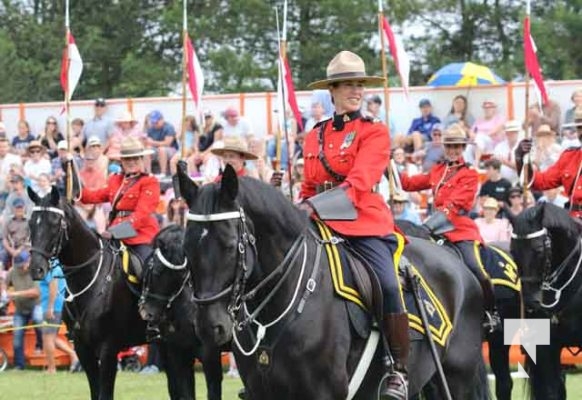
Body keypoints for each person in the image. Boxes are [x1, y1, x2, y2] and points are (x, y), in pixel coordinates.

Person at [300, 50, 409, 399]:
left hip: (362, 221)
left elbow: (359, 183)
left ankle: (399, 369)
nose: (356, 90)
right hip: (318, 221)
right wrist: (298, 209)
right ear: (331, 91)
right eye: (348, 84)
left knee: (389, 286)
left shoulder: (374, 131)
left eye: (360, 84)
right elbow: (308, 185)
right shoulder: (313, 135)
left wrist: (310, 206)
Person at [400, 124, 499, 330]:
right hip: (436, 230)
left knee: (476, 269)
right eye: (450, 146)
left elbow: (456, 204)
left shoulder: (469, 173)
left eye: (457, 146)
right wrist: (389, 167)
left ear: (463, 147)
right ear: (444, 147)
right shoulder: (438, 170)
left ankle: (491, 312)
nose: (453, 150)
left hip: (460, 230)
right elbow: (409, 184)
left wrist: (430, 224)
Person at [78, 136, 160, 261]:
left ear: (141, 159)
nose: (131, 162)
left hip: (139, 236)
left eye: (135, 158)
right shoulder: (115, 179)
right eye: (127, 159)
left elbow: (142, 215)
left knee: (146, 269)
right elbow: (94, 196)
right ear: (121, 160)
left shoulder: (149, 181)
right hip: (113, 235)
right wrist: (76, 188)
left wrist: (116, 232)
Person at [516, 124, 582, 219]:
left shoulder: (558, 150)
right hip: (573, 219)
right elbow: (540, 182)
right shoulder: (569, 157)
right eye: (580, 128)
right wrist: (520, 159)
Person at [3, 250, 43, 370]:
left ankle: (40, 345)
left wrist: (15, 294)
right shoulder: (12, 271)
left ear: (28, 262)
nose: (21, 268)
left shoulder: (34, 272)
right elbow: (4, 284)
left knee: (38, 319)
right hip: (20, 309)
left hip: (36, 305)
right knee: (17, 336)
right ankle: (19, 365)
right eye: (18, 266)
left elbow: (36, 292)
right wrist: (4, 291)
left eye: (22, 265)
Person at [39, 258, 79, 373]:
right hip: (55, 306)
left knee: (48, 338)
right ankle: (74, 355)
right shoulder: (57, 264)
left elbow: (53, 285)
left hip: (52, 307)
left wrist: (50, 307)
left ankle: (52, 368)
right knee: (51, 338)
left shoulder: (51, 266)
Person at [146, 110, 178, 177]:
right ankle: (148, 173)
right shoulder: (151, 128)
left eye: (156, 122)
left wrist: (153, 142)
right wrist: (152, 143)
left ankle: (163, 173)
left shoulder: (168, 127)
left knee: (162, 149)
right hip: (156, 148)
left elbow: (167, 143)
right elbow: (148, 141)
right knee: (147, 149)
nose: (155, 124)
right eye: (153, 122)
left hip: (171, 149)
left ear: (162, 119)